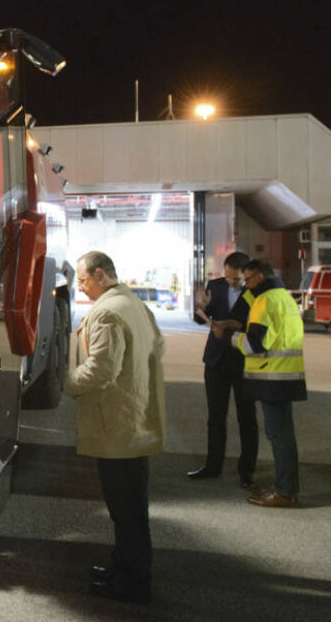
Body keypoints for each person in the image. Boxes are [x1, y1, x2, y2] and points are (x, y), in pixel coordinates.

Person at [66, 251, 165, 604]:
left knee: (125, 511)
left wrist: (68, 382)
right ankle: (123, 568)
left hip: (116, 423)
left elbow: (101, 369)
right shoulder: (133, 304)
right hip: (135, 418)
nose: (80, 286)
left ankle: (132, 582)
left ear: (102, 275)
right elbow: (158, 346)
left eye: (83, 279)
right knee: (131, 508)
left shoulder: (107, 312)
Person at [218, 259, 306, 508]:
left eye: (247, 280)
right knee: (284, 435)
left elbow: (253, 345)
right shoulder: (285, 298)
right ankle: (285, 487)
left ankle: (285, 492)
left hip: (273, 378)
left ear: (257, 277)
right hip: (288, 375)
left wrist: (226, 335)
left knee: (279, 436)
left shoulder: (264, 301)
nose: (246, 286)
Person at [187, 252, 258, 488]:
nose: (231, 282)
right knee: (215, 416)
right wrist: (201, 307)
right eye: (228, 278)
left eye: (236, 280)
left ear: (246, 274)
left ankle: (246, 471)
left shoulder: (255, 291)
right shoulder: (215, 286)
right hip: (216, 360)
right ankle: (212, 466)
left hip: (243, 359)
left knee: (246, 418)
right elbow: (201, 319)